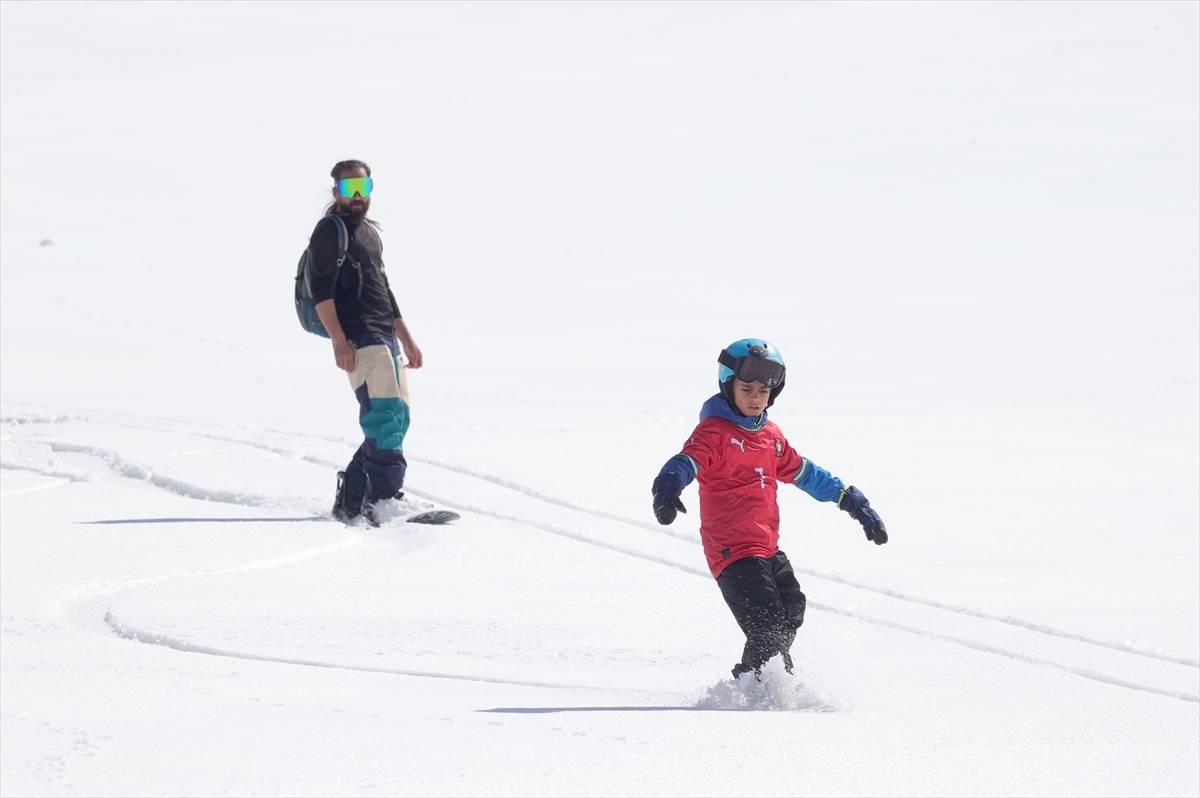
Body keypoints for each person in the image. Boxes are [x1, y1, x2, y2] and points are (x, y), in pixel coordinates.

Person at [650, 338, 888, 679]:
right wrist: (668, 486)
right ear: (727, 385)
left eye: (763, 391)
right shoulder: (714, 433)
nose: (755, 398)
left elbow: (807, 474)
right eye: (747, 389)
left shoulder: (770, 437)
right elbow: (688, 461)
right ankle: (769, 690)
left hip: (766, 547)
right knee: (768, 627)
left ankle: (758, 681)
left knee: (792, 609)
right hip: (732, 552)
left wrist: (852, 501)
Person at [308, 159, 423, 526]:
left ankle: (352, 500)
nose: (357, 197)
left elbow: (384, 291)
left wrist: (406, 339)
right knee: (384, 420)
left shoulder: (370, 234)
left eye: (363, 189)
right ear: (336, 192)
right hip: (360, 339)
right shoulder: (330, 230)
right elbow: (321, 293)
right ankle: (383, 501)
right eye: (349, 190)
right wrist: (339, 341)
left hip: (385, 338)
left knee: (396, 419)